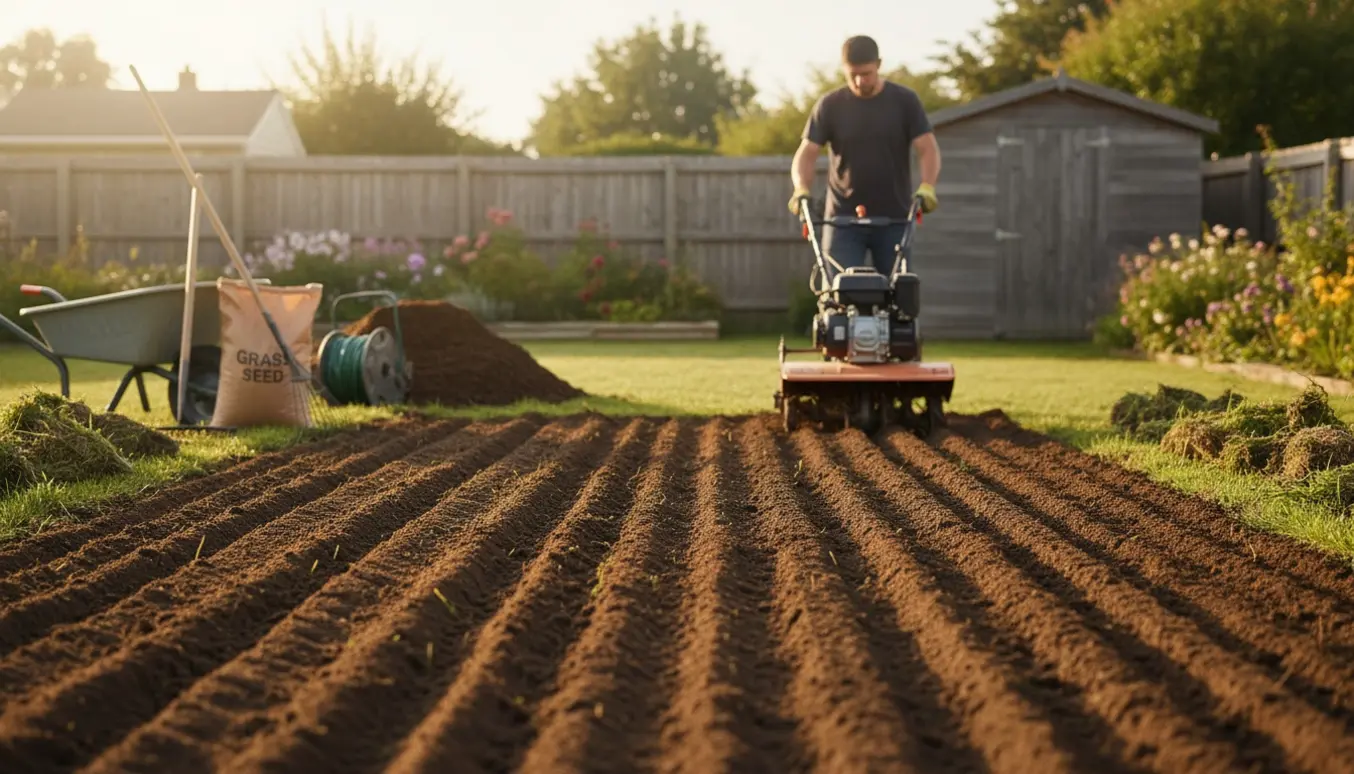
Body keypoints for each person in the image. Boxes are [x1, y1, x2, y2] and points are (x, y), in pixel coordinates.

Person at [788, 35, 941, 276]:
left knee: (899, 298)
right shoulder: (830, 105)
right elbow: (806, 153)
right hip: (842, 220)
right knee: (839, 295)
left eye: (867, 73)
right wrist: (800, 189)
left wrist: (927, 187)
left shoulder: (904, 101)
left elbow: (928, 148)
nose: (860, 81)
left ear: (879, 65)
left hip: (894, 218)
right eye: (853, 74)